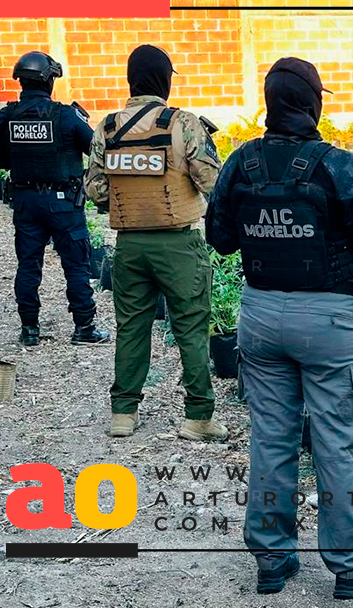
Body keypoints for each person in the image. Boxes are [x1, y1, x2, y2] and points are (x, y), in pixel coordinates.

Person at [206, 57, 353, 601]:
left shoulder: (240, 163)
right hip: (331, 321)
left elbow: (220, 239)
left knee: (272, 439)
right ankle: (351, 569)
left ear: (270, 102)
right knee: (338, 446)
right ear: (313, 102)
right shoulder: (337, 164)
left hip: (261, 316)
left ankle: (272, 559)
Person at [84, 45, 226, 441]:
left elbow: (95, 190)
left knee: (131, 328)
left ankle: (123, 415)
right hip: (178, 245)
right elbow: (213, 183)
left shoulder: (108, 127)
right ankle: (198, 417)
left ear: (132, 79)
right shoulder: (183, 123)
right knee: (191, 329)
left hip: (129, 246)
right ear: (165, 80)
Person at [0, 51, 110, 347]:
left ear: (22, 82)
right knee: (76, 265)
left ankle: (29, 329)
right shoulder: (66, 115)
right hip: (63, 202)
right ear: (49, 81)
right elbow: (96, 150)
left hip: (25, 202)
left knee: (28, 264)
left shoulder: (6, 117)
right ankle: (84, 327)